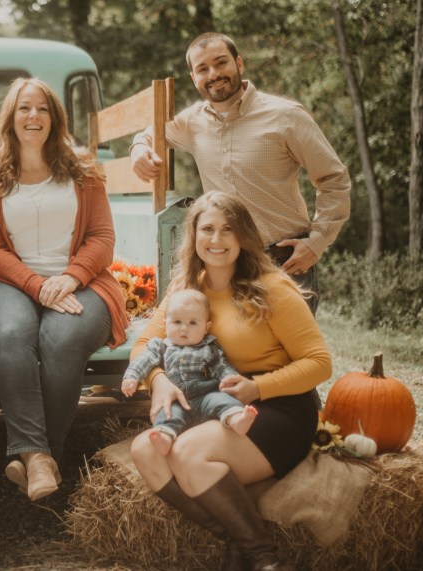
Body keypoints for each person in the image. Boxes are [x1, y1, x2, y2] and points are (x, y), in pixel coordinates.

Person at [128, 191, 332, 571]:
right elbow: (143, 344)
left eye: (228, 230)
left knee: (187, 453)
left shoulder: (272, 287)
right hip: (216, 402)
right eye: (207, 229)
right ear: (194, 237)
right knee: (145, 451)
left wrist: (258, 387)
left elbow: (319, 363)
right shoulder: (188, 289)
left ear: (243, 237)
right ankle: (235, 539)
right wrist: (156, 380)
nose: (217, 240)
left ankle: (264, 559)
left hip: (276, 406)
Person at [0, 78, 128, 502]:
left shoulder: (83, 171)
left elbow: (102, 237)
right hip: (12, 281)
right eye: (24, 108)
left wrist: (71, 277)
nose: (33, 117)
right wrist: (37, 285)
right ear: (10, 117)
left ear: (55, 118)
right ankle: (40, 458)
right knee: (10, 334)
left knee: (61, 338)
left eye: (42, 109)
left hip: (82, 281)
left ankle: (40, 457)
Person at [130, 32, 350, 312]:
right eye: (203, 69)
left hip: (286, 263)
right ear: (193, 77)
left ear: (239, 63)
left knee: (291, 355)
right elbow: (151, 133)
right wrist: (138, 148)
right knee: (233, 355)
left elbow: (335, 180)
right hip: (226, 267)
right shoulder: (192, 122)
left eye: (221, 63)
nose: (214, 74)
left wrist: (317, 242)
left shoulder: (287, 117)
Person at [121, 288, 257, 456]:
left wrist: (231, 380)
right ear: (165, 324)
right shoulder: (160, 346)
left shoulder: (209, 348)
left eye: (193, 323)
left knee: (222, 400)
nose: (184, 329)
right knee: (167, 413)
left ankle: (237, 419)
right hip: (175, 399)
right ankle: (164, 436)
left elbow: (222, 367)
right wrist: (132, 376)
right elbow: (143, 360)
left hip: (205, 395)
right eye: (177, 322)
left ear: (206, 328)